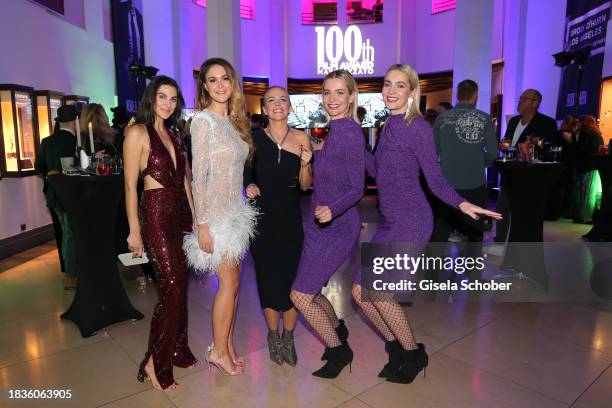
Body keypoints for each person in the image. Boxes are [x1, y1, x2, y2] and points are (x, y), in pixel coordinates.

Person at [352, 65, 501, 384]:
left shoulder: (417, 128)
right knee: (359, 291)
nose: (391, 91)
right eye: (387, 84)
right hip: (390, 220)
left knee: (379, 293)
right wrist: (357, 146)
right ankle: (396, 349)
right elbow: (379, 171)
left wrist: (463, 203)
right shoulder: (388, 124)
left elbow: (434, 179)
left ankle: (414, 353)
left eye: (400, 86)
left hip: (412, 219)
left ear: (412, 92)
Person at [183, 57, 257, 376]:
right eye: (212, 80)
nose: (220, 85)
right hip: (215, 215)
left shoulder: (233, 121)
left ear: (233, 82)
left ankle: (227, 345)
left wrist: (248, 188)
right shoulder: (203, 122)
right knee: (227, 285)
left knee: (235, 284)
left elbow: (235, 170)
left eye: (224, 78)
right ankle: (217, 351)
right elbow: (198, 176)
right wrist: (202, 224)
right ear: (205, 88)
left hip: (235, 211)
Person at [290, 69, 365, 379]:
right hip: (320, 225)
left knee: (300, 295)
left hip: (338, 225)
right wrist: (314, 160)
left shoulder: (349, 132)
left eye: (339, 93)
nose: (332, 99)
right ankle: (338, 329)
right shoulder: (335, 131)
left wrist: (332, 210)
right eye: (327, 92)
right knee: (310, 288)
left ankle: (339, 350)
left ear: (350, 96)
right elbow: (326, 181)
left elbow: (357, 187)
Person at [124, 75, 198, 391]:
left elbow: (185, 182)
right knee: (170, 288)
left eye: (172, 98)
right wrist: (134, 231)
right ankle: (155, 362)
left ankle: (178, 349)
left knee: (181, 287)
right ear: (151, 99)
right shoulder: (137, 133)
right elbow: (129, 187)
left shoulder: (175, 135)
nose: (167, 104)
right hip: (155, 216)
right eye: (162, 97)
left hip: (180, 214)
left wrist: (195, 220)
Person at [245, 86, 313, 366]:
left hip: (290, 220)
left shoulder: (301, 138)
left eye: (282, 100)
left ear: (289, 107)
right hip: (262, 221)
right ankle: (273, 336)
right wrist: (248, 185)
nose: (277, 104)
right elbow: (247, 176)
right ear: (264, 106)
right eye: (271, 100)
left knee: (292, 279)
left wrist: (306, 165)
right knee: (269, 280)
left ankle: (289, 336)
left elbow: (306, 186)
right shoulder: (252, 139)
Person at [431, 79, 499, 266]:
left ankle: (430, 279)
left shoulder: (442, 119)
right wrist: (479, 163)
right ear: (475, 96)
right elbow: (493, 153)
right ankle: (473, 276)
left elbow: (433, 153)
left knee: (441, 233)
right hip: (474, 183)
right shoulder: (484, 119)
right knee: (475, 234)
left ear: (457, 95)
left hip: (446, 185)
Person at [494, 89, 557, 243]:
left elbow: (551, 147)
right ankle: (500, 241)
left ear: (535, 103)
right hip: (510, 172)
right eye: (520, 98)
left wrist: (537, 144)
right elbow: (507, 141)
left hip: (530, 175)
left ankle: (519, 245)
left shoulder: (546, 123)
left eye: (524, 98)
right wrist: (503, 145)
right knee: (502, 208)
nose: (520, 101)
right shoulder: (514, 121)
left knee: (523, 214)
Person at [34, 105, 79, 290]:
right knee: (70, 234)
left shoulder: (47, 141)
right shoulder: (76, 142)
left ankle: (69, 270)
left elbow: (39, 167)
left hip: (53, 194)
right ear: (74, 121)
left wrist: (51, 174)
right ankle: (71, 274)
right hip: (73, 195)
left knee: (64, 233)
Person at [571, 115, 604, 223]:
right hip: (596, 165)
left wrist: (570, 140)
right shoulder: (598, 134)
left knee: (586, 193)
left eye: (578, 122)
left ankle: (585, 217)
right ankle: (591, 217)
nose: (577, 124)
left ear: (584, 123)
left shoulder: (585, 133)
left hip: (586, 166)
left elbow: (579, 149)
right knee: (592, 194)